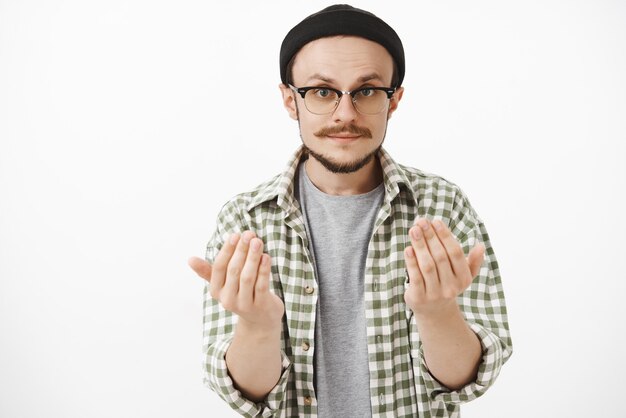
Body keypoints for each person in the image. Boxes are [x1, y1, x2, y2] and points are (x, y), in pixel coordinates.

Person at [188, 4, 512, 417]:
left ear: (393, 101)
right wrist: (258, 326)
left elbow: (465, 382)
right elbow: (250, 398)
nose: (345, 114)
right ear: (291, 100)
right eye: (322, 91)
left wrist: (438, 313)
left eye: (367, 91)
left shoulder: (442, 207)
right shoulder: (246, 220)